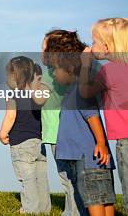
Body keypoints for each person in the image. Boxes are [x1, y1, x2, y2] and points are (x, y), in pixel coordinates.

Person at [53, 35, 116, 216]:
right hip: (94, 156)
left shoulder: (78, 93)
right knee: (104, 198)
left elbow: (92, 116)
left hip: (89, 157)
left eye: (56, 69)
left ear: (70, 69)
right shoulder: (75, 91)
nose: (54, 74)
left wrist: (101, 143)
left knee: (94, 199)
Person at [79, 18, 128, 214]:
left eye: (94, 42)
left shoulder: (108, 71)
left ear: (106, 47)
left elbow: (85, 91)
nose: (92, 46)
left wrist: (84, 65)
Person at [40, 30, 86, 216]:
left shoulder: (49, 75)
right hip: (73, 132)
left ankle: (73, 212)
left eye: (44, 48)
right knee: (76, 178)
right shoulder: (76, 71)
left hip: (56, 133)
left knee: (67, 178)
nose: (41, 52)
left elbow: (38, 99)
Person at [0, 56, 51, 214]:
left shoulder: (14, 96)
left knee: (27, 178)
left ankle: (30, 209)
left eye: (7, 75)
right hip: (38, 141)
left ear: (15, 76)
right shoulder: (37, 96)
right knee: (41, 178)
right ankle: (44, 208)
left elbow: (10, 116)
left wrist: (2, 133)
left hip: (21, 143)